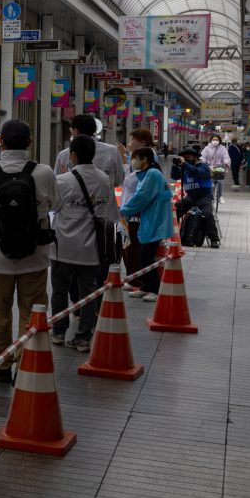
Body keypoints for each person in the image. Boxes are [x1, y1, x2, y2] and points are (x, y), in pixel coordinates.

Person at [0, 120, 57, 382]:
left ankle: (1, 364)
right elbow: (55, 204)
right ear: (29, 142)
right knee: (31, 313)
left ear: (1, 142)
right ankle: (25, 365)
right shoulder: (44, 172)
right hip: (34, 256)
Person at [51, 135, 121, 351]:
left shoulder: (62, 180)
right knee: (89, 292)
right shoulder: (104, 180)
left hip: (63, 246)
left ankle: (59, 332)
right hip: (92, 247)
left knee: (60, 291)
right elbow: (107, 211)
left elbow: (53, 207)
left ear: (72, 155)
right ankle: (83, 336)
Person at [118, 147, 173, 302]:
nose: (133, 161)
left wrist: (124, 210)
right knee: (144, 254)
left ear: (145, 160)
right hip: (150, 218)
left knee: (146, 256)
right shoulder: (147, 174)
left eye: (135, 158)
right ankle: (145, 287)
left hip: (155, 219)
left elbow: (142, 197)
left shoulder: (152, 174)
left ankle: (154, 289)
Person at [118, 127, 154, 293]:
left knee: (133, 247)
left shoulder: (148, 161)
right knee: (127, 245)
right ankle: (132, 278)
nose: (130, 143)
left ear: (143, 142)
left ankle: (137, 280)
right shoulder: (135, 158)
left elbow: (132, 183)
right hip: (128, 208)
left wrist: (125, 159)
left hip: (135, 212)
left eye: (133, 140)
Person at [54, 114, 125, 187]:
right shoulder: (112, 151)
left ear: (75, 131)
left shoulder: (64, 154)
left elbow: (57, 184)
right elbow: (119, 180)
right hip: (106, 193)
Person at [171, 147, 220, 247]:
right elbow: (174, 176)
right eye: (184, 157)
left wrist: (185, 164)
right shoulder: (184, 167)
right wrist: (175, 166)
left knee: (207, 214)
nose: (186, 159)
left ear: (195, 157)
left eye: (188, 157)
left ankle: (214, 238)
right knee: (175, 209)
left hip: (204, 197)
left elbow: (199, 173)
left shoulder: (203, 166)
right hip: (190, 197)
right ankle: (173, 234)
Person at [200, 134, 230, 204]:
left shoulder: (223, 148)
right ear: (211, 140)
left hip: (219, 168)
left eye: (217, 140)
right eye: (213, 139)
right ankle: (209, 197)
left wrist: (226, 162)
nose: (215, 141)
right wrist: (202, 162)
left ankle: (219, 196)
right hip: (209, 167)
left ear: (219, 140)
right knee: (210, 184)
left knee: (220, 182)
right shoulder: (207, 148)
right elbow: (202, 156)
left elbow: (226, 157)